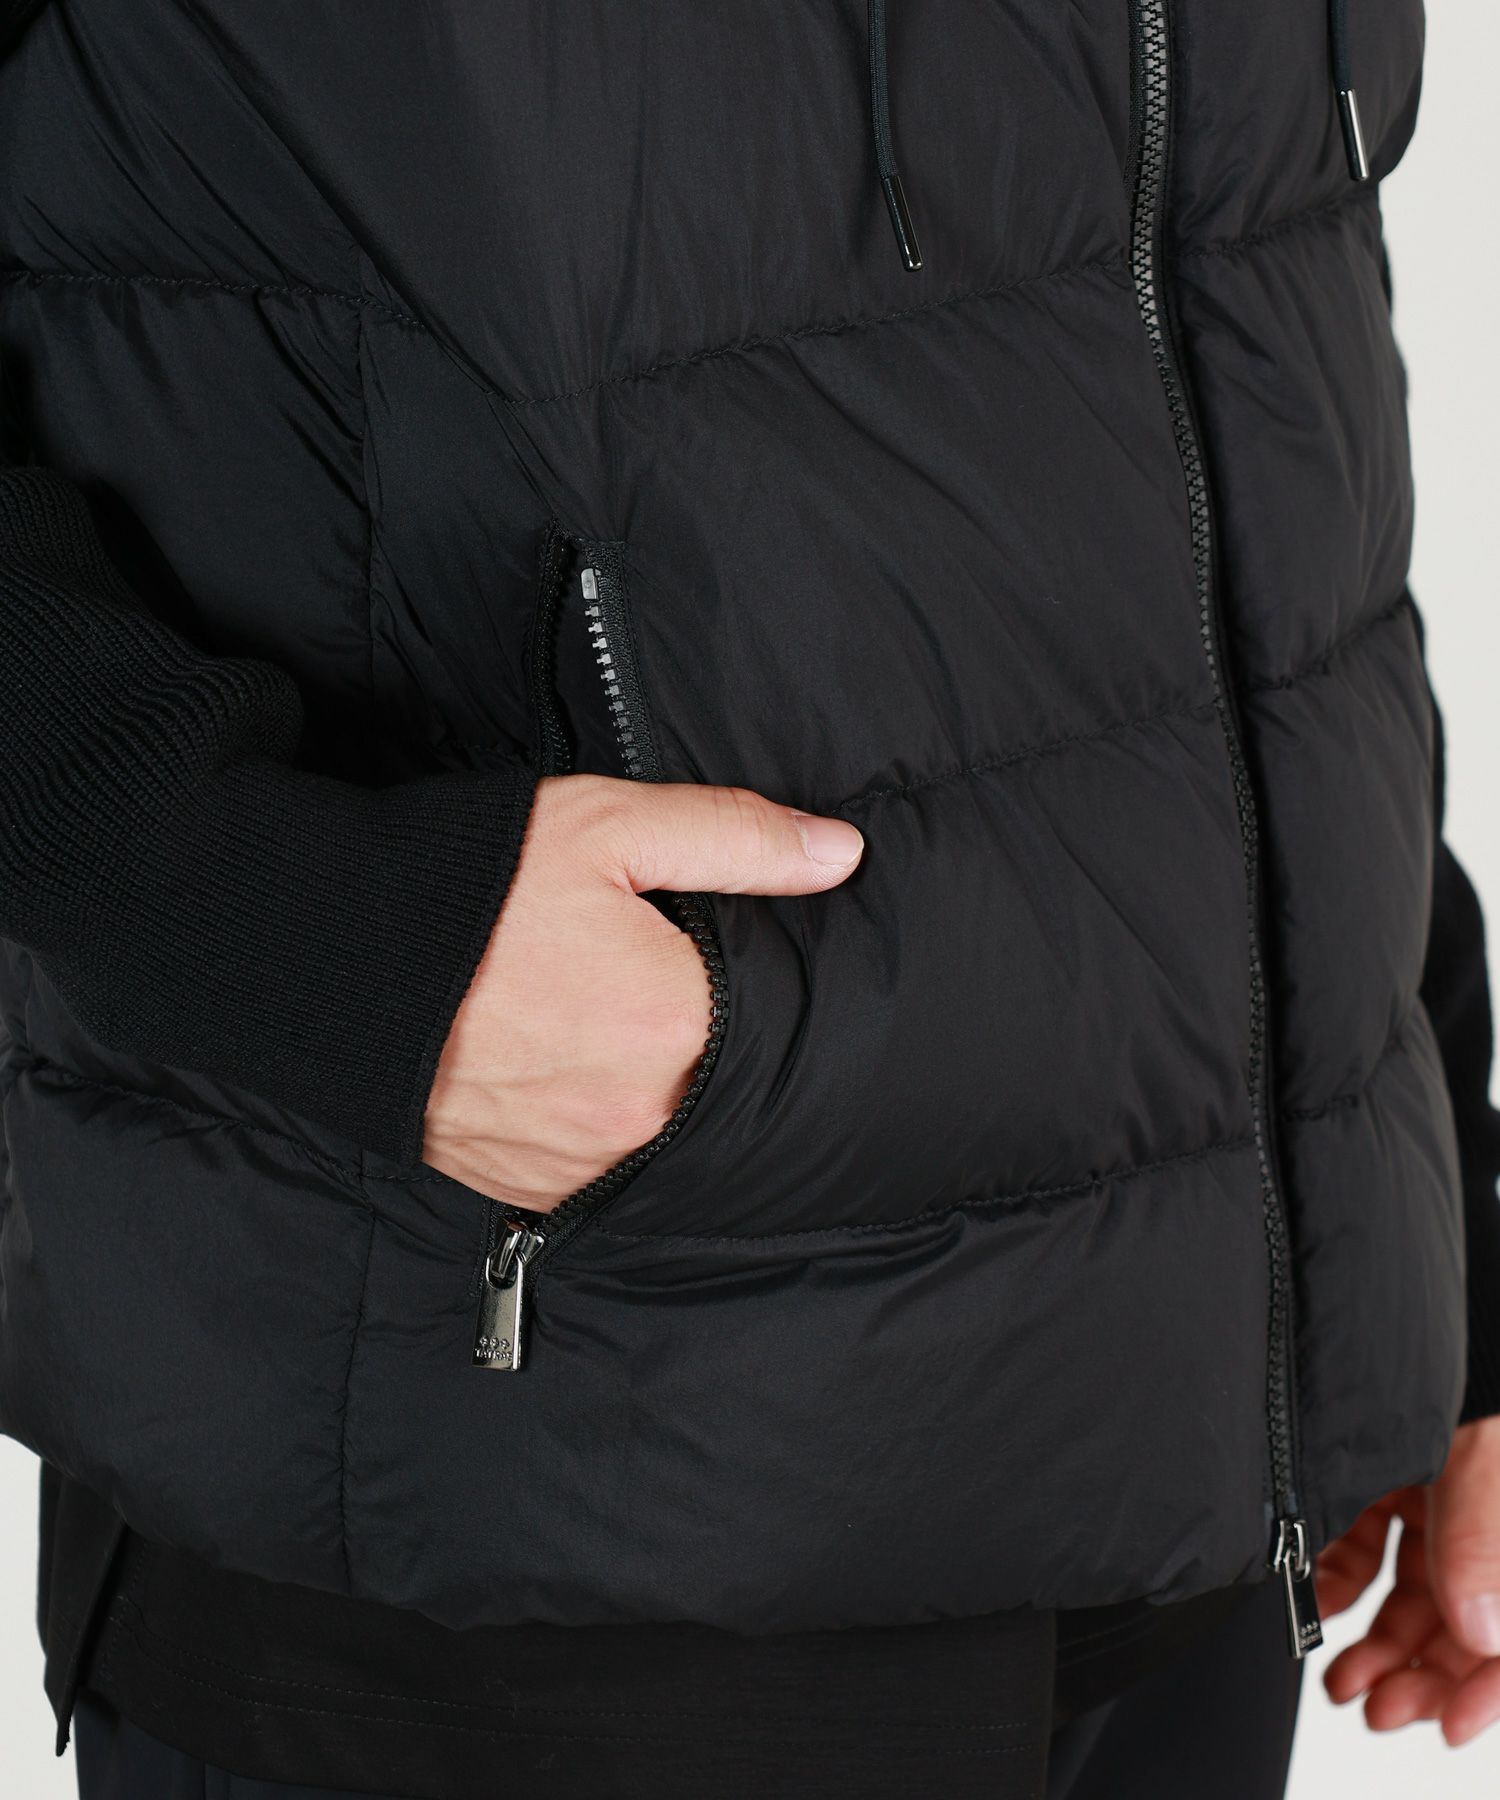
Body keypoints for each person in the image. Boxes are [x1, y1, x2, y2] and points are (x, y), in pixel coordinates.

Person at [2, 2, 1498, 1796]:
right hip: (537, 1499)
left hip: (1196, 1522)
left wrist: (1434, 1217)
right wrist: (317, 931)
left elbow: (1203, 368)